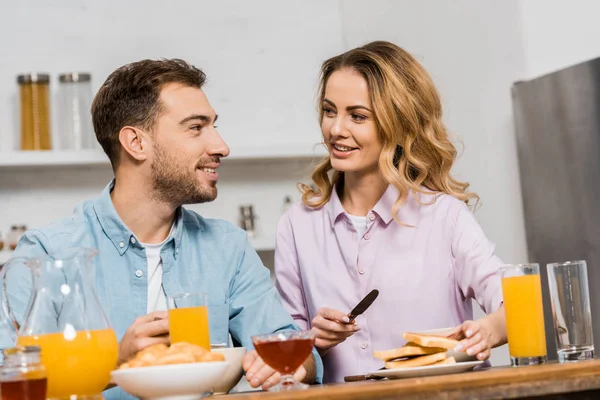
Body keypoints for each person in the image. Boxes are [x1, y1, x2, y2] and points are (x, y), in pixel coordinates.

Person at [2, 59, 321, 398]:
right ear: (136, 143)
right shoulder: (49, 254)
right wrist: (114, 363)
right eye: (196, 128)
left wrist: (289, 366)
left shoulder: (227, 247)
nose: (221, 147)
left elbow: (296, 351)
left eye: (213, 126)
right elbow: (10, 380)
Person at [274, 41, 507, 383]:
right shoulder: (296, 226)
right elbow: (284, 355)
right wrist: (313, 342)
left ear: (397, 124)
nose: (336, 129)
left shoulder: (444, 216)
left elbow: (516, 305)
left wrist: (485, 332)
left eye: (357, 116)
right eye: (329, 111)